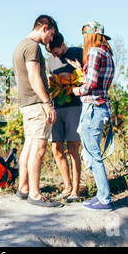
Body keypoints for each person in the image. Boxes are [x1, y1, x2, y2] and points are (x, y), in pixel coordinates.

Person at [12, 15, 62, 208]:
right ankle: (35, 194)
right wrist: (47, 103)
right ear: (44, 27)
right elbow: (34, 77)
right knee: (39, 148)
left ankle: (23, 189)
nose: (51, 39)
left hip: (26, 104)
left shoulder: (20, 45)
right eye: (51, 34)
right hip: (36, 103)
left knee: (29, 146)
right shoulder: (32, 46)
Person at [71, 21, 115, 211]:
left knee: (92, 155)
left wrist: (76, 90)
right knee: (90, 153)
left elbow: (90, 84)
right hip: (101, 107)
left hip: (92, 109)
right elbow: (97, 79)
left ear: (90, 35)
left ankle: (104, 199)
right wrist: (82, 70)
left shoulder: (95, 52)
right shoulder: (107, 53)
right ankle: (101, 195)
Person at [45, 32, 83, 202]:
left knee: (73, 149)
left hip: (74, 107)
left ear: (62, 45)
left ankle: (76, 190)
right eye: (50, 53)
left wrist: (76, 74)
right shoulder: (50, 60)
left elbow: (88, 77)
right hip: (56, 107)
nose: (53, 55)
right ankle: (66, 187)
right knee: (56, 148)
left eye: (55, 51)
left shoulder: (77, 52)